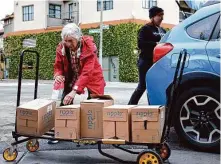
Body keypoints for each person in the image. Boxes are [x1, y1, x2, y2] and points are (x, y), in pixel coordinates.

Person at [48, 23, 106, 144]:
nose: (68, 44)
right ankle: (63, 131)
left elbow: (86, 72)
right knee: (65, 101)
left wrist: (74, 91)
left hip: (92, 77)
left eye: (71, 41)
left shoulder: (89, 47)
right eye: (66, 41)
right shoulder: (62, 47)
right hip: (72, 75)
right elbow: (58, 65)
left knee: (94, 106)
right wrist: (58, 74)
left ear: (79, 38)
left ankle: (93, 134)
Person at [128, 6, 166, 105]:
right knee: (143, 86)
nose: (161, 18)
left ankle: (154, 109)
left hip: (158, 63)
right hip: (145, 61)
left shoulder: (163, 30)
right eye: (159, 15)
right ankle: (129, 107)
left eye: (162, 15)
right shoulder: (145, 29)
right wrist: (156, 44)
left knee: (156, 86)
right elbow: (140, 44)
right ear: (152, 17)